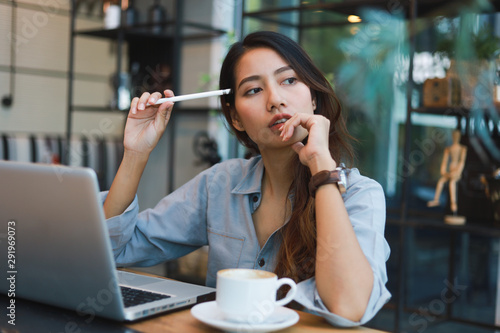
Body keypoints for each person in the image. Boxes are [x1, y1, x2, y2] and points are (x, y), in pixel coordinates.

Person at [102, 31, 390, 327]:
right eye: (253, 90)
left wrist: (321, 166)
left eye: (289, 80)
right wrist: (135, 154)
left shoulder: (359, 194)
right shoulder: (220, 184)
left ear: (313, 98)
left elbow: (349, 306)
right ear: (236, 118)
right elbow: (113, 249)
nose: (276, 100)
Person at [427, 129, 467, 214]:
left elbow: (462, 162)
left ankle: (454, 204)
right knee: (441, 181)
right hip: (450, 171)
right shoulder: (449, 149)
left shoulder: (462, 148)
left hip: (456, 172)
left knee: (452, 183)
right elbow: (444, 161)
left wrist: (457, 172)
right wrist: (443, 171)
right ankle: (436, 199)